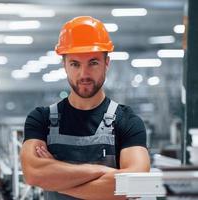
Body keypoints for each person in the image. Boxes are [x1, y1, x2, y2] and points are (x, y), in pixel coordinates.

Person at [20, 16, 150, 200]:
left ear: (107, 63)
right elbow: (33, 174)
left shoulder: (127, 121)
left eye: (93, 62)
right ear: (64, 65)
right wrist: (100, 172)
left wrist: (54, 179)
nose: (84, 74)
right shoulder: (41, 119)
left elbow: (137, 184)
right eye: (75, 64)